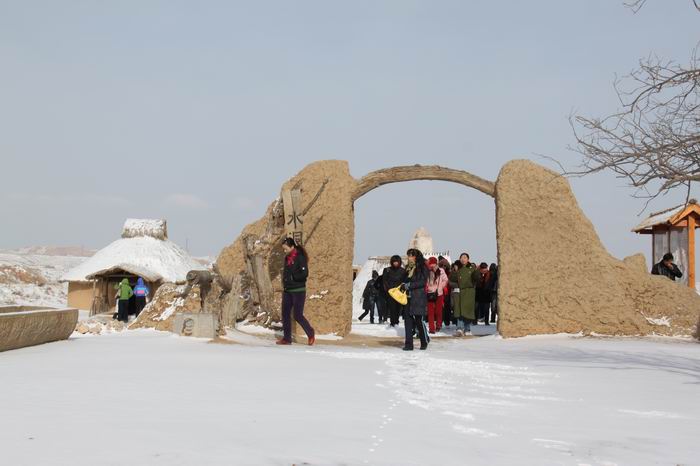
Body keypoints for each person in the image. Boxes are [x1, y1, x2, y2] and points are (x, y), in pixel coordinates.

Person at [276, 237, 315, 346]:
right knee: (285, 315)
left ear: (292, 247)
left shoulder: (300, 257)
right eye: (283, 249)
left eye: (286, 249)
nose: (284, 251)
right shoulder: (287, 258)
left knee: (298, 315)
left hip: (298, 291)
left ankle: (310, 333)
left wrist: (293, 277)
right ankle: (287, 339)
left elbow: (304, 274)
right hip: (287, 290)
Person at [402, 249, 429, 351]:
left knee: (419, 321)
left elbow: (422, 282)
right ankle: (409, 344)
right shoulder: (408, 268)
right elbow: (404, 280)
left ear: (416, 256)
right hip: (408, 297)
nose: (409, 257)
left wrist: (409, 285)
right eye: (409, 255)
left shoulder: (423, 267)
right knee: (407, 321)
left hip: (418, 297)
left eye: (411, 255)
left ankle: (424, 341)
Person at [449, 253, 479, 335]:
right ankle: (459, 328)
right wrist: (455, 271)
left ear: (468, 259)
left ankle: (467, 329)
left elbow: (477, 278)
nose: (463, 259)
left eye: (465, 257)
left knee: (468, 311)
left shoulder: (472, 268)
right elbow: (452, 279)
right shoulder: (457, 268)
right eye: (461, 257)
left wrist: (476, 271)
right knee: (459, 310)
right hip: (459, 292)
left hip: (469, 292)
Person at [383, 255, 407, 327]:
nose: (395, 263)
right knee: (392, 308)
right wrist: (388, 290)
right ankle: (392, 322)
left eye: (397, 262)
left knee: (398, 308)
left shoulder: (403, 271)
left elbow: (404, 281)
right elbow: (384, 281)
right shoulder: (387, 270)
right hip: (391, 292)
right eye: (394, 262)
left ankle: (396, 321)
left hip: (399, 293)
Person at [426, 257, 448, 334]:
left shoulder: (441, 271)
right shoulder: (427, 271)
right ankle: (431, 328)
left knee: (439, 311)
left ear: (436, 263)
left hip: (439, 293)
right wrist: (428, 288)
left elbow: (445, 280)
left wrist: (440, 286)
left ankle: (438, 325)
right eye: (430, 263)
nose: (432, 265)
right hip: (430, 293)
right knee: (430, 312)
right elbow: (425, 282)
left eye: (433, 263)